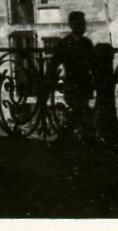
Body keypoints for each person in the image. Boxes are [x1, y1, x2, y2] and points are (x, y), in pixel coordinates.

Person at [46, 11, 96, 143]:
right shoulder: (64, 43)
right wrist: (51, 81)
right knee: (80, 113)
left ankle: (65, 141)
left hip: (85, 85)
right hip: (72, 85)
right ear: (72, 25)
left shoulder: (87, 43)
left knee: (80, 113)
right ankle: (66, 141)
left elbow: (93, 65)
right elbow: (54, 64)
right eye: (79, 24)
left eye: (83, 23)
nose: (82, 26)